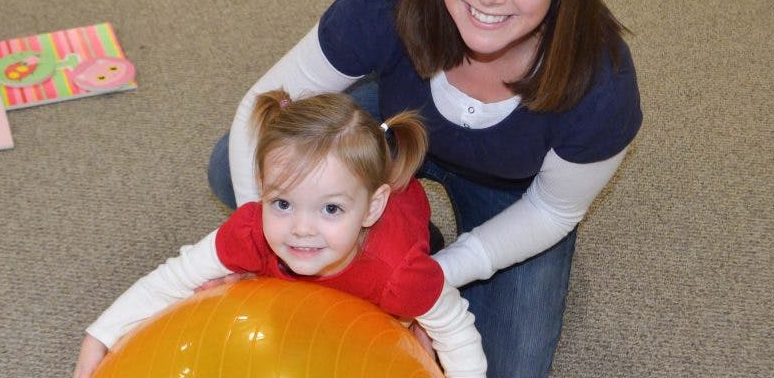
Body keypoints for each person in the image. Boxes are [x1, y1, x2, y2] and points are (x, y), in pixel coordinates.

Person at [207, 0, 642, 377]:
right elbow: (265, 103)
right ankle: (403, 227)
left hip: (512, 186)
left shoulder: (601, 84)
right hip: (396, 126)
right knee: (236, 166)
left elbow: (552, 211)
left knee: (508, 368)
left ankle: (406, 241)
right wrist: (259, 240)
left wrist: (428, 277)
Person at [75, 90, 487, 378]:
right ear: (262, 190)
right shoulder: (253, 230)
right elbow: (175, 277)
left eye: (330, 209)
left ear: (371, 208)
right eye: (283, 203)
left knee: (411, 314)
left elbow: (455, 329)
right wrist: (100, 335)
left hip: (398, 234)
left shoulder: (400, 272)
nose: (301, 229)